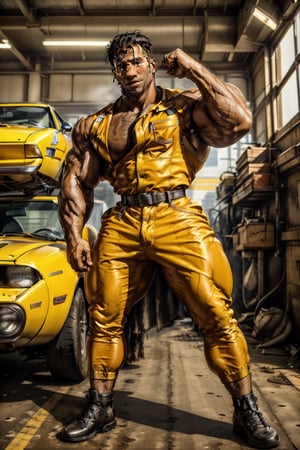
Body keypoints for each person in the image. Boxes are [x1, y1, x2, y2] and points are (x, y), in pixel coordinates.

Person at [57, 31, 279, 449]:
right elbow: (75, 182)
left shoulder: (183, 107)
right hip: (123, 220)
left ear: (152, 64)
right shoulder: (99, 124)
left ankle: (246, 408)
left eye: (137, 61)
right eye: (122, 64)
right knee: (103, 315)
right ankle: (100, 404)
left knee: (216, 313)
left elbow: (239, 120)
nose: (130, 69)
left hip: (177, 214)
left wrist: (194, 67)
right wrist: (73, 237)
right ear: (116, 72)